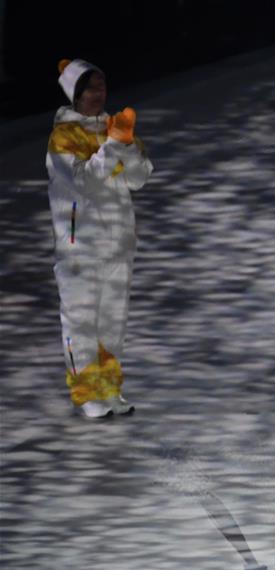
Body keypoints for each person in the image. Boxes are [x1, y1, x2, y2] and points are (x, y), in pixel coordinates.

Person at [46, 58, 153, 418]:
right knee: (81, 322)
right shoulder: (63, 137)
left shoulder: (113, 127)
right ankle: (86, 392)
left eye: (101, 86)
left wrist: (127, 144)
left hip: (118, 244)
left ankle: (109, 389)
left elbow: (139, 177)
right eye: (90, 88)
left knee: (112, 322)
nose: (98, 93)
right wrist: (113, 146)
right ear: (76, 94)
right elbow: (84, 182)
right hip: (80, 248)